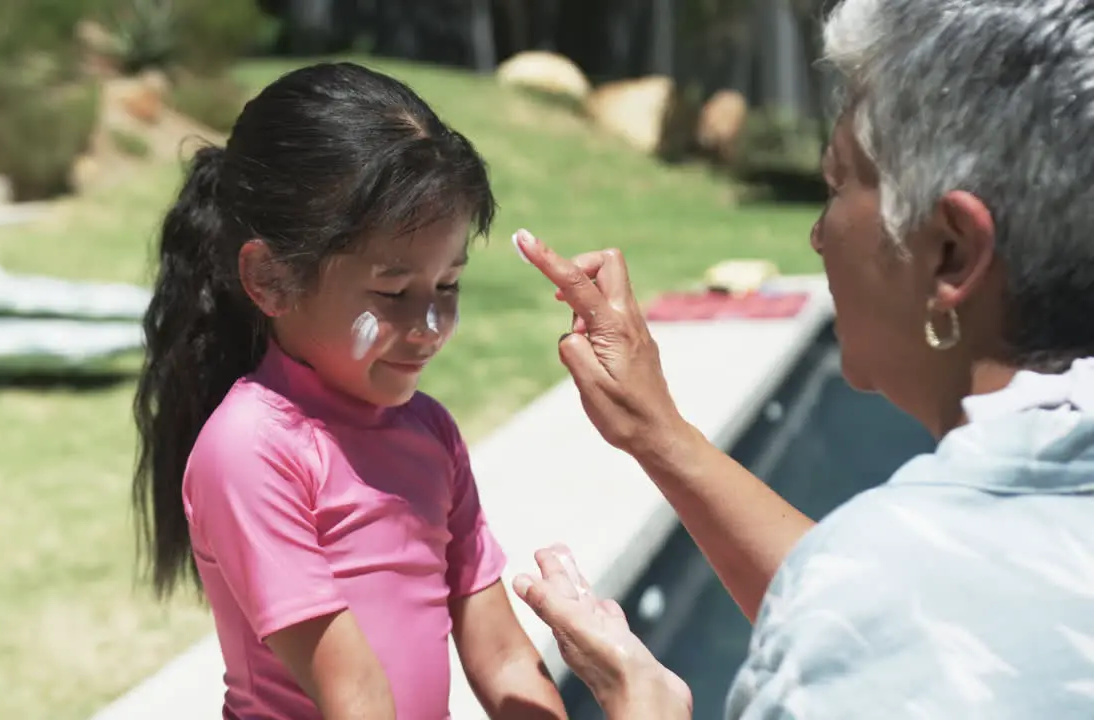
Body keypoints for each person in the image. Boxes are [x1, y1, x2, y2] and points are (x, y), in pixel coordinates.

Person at [508, 0, 1094, 718]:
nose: (819, 235)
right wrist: (656, 431)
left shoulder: (866, 629)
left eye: (839, 182)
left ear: (951, 253)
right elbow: (916, 592)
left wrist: (644, 703)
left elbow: (882, 618)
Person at [131, 62, 566, 720]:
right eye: (393, 293)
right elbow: (355, 696)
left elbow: (503, 656)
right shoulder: (252, 450)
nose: (429, 326)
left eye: (447, 285)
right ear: (271, 279)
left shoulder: (430, 433)